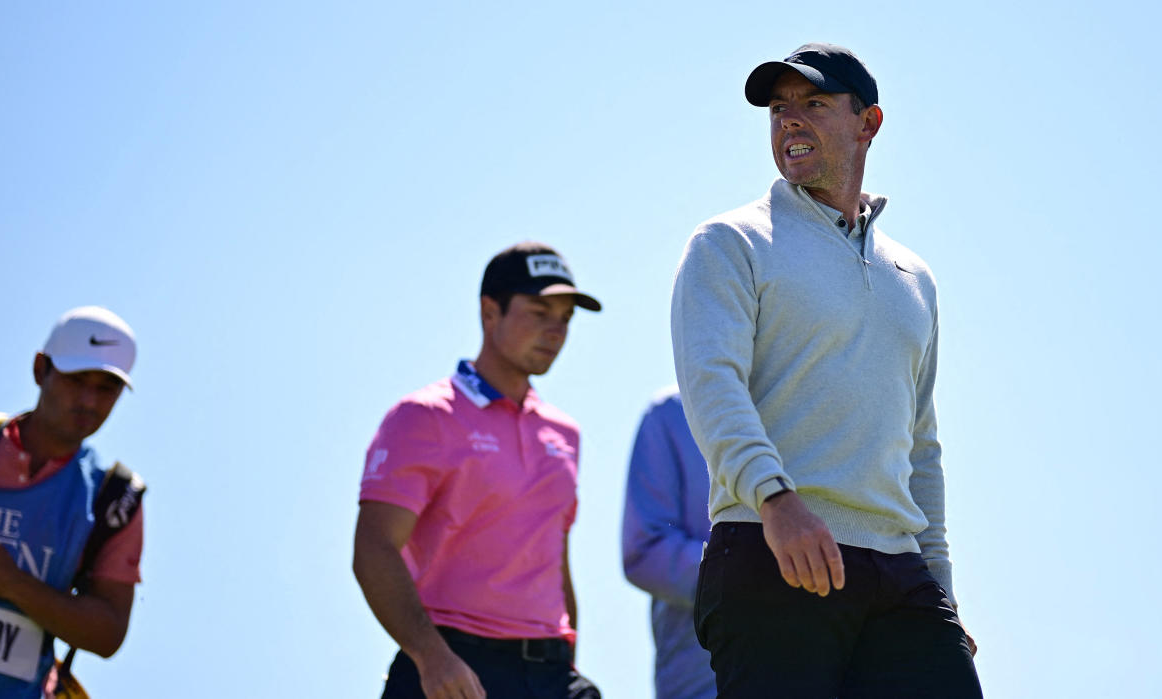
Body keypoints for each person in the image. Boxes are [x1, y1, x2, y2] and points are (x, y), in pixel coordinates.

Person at [670, 43, 982, 697]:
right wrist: (776, 498)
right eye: (779, 109)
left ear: (868, 123)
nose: (790, 121)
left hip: (899, 572)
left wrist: (942, 589)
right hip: (769, 550)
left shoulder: (915, 278)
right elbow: (712, 384)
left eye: (813, 103)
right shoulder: (730, 242)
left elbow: (919, 444)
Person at [352, 242, 602, 699]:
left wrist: (566, 663)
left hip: (549, 671)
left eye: (565, 318)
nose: (555, 330)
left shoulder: (564, 434)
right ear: (490, 312)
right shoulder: (424, 416)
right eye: (540, 311)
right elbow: (373, 547)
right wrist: (432, 658)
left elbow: (553, 559)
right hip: (451, 667)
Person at [0, 306, 145, 699]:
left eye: (106, 388)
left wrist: (9, 583)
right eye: (77, 380)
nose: (89, 401)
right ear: (41, 369)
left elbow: (108, 632)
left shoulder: (113, 498)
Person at [620, 387, 716, 699]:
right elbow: (645, 552)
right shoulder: (671, 413)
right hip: (705, 679)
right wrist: (750, 577)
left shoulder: (811, 407)